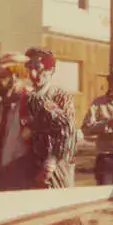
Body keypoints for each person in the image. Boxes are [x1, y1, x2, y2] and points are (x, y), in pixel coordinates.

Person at [0, 51, 75, 193]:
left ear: (16, 77)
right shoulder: (0, 110)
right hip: (4, 185)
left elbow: (66, 127)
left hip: (29, 188)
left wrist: (49, 166)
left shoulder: (33, 102)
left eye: (1, 78)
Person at [24, 46, 77, 187]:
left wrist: (49, 166)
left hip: (57, 167)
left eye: (38, 68)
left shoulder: (60, 96)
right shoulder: (29, 98)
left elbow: (68, 130)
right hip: (34, 165)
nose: (33, 74)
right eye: (29, 68)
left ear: (51, 70)